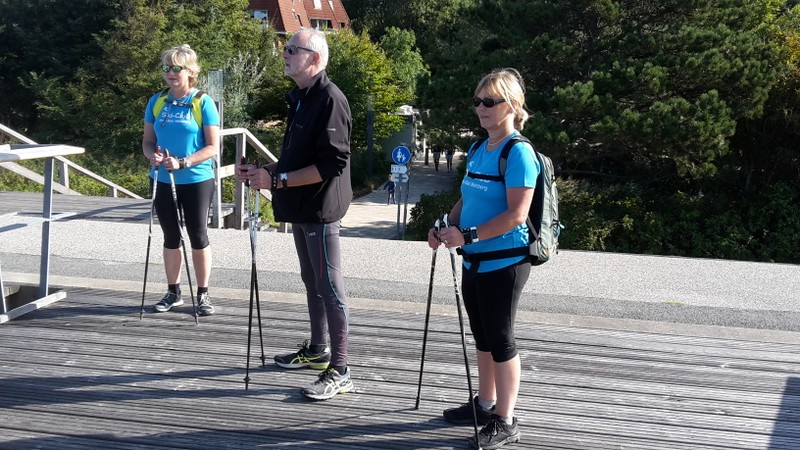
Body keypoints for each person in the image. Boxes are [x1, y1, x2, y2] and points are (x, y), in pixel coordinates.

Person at [236, 28, 353, 401]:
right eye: (285, 48)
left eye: (291, 49)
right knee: (312, 280)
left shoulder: (330, 99)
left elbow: (332, 163)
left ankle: (341, 369)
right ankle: (318, 350)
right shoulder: (302, 97)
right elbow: (296, 157)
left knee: (329, 285)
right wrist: (263, 172)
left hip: (321, 208)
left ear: (314, 58)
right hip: (302, 206)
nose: (284, 54)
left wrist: (277, 181)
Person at [428, 68, 539, 449]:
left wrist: (468, 235)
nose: (481, 108)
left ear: (512, 105)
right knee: (482, 335)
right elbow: (467, 197)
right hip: (473, 260)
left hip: (505, 263)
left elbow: (517, 215)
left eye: (490, 101)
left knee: (502, 339)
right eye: (477, 100)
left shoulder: (518, 152)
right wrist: (445, 226)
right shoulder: (479, 149)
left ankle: (506, 420)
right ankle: (485, 403)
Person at [142, 44, 220, 317]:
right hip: (162, 177)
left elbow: (212, 147)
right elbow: (148, 142)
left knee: (198, 235)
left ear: (190, 71)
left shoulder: (202, 102)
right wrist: (153, 157)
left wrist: (183, 162)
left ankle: (203, 293)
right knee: (170, 235)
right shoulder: (157, 101)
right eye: (166, 68)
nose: (170, 73)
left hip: (196, 178)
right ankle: (173, 291)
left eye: (176, 68)